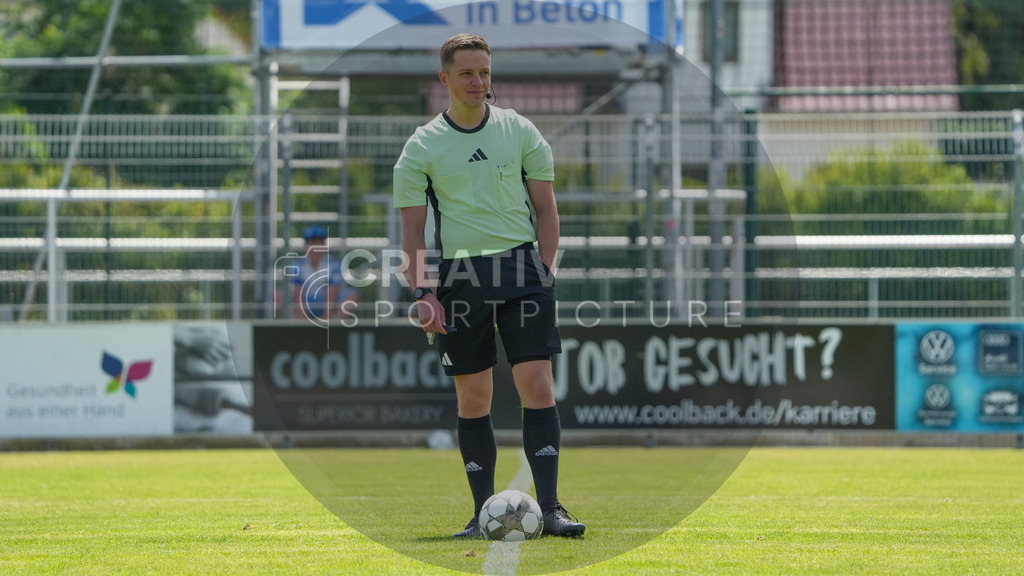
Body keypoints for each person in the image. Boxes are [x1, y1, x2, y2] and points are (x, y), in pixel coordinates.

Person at [393, 33, 585, 538]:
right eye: (466, 73)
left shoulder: (519, 130)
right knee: (474, 396)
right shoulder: (422, 146)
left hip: (523, 272)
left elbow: (546, 209)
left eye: (484, 72)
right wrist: (424, 291)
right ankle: (482, 515)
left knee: (537, 384)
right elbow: (412, 230)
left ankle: (552, 507)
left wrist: (544, 270)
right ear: (445, 79)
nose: (478, 82)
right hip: (460, 277)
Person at [286, 226, 360, 320]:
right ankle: (300, 326)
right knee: (277, 296)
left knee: (353, 295)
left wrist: (327, 314)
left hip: (327, 302)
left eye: (319, 243)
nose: (316, 247)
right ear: (306, 246)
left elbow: (333, 289)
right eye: (312, 243)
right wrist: (302, 312)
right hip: (306, 300)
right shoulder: (297, 265)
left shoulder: (334, 264)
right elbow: (297, 291)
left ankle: (333, 325)